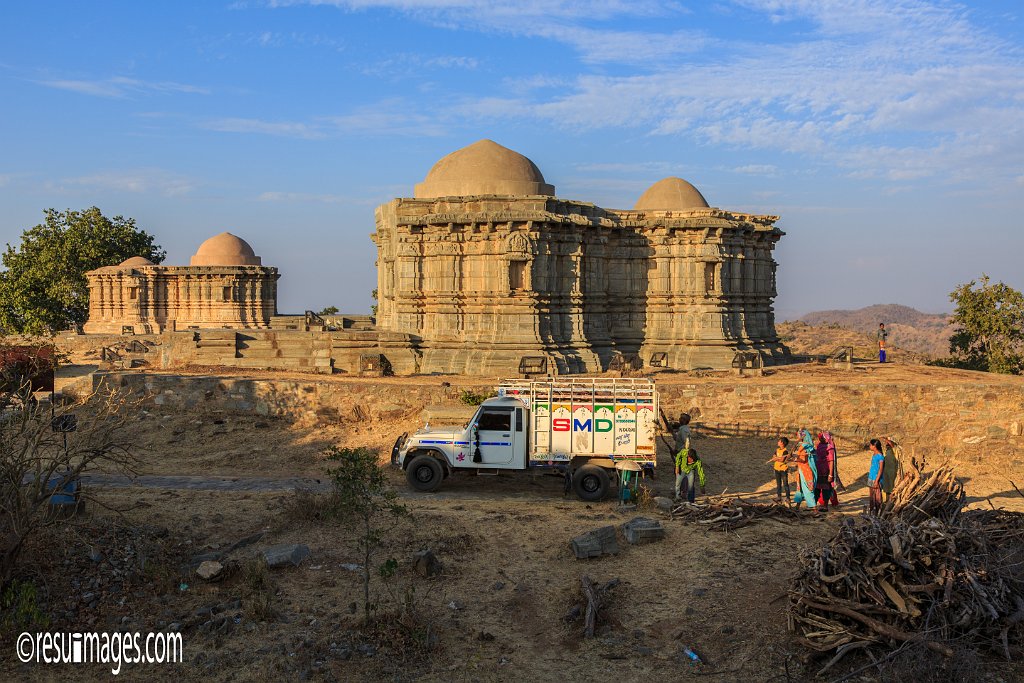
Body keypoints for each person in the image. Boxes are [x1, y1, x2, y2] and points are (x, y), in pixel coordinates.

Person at [792, 429, 817, 511]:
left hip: (805, 470)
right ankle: (797, 507)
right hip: (801, 470)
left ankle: (815, 509)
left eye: (798, 435)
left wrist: (795, 460)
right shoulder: (804, 445)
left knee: (808, 489)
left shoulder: (804, 446)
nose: (797, 436)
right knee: (801, 488)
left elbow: (802, 459)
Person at [813, 432, 835, 511]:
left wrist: (830, 475)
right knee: (816, 488)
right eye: (820, 437)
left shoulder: (830, 447)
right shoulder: (819, 446)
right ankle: (814, 506)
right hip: (818, 471)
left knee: (826, 489)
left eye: (822, 437)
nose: (820, 439)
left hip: (826, 471)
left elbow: (831, 461)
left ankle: (825, 506)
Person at [767, 437, 791, 503]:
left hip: (783, 470)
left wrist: (776, 458)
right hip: (776, 469)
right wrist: (777, 458)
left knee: (785, 484)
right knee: (778, 484)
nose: (778, 442)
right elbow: (774, 456)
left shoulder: (785, 451)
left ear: (782, 443)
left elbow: (782, 460)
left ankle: (788, 498)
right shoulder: (777, 450)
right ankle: (779, 496)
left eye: (779, 441)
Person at [867, 439, 885, 514]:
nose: (869, 446)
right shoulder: (874, 455)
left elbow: (881, 469)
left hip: (876, 479)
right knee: (871, 496)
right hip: (871, 477)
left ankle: (878, 512)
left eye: (870, 445)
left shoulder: (880, 456)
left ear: (874, 446)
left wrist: (877, 480)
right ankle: (872, 511)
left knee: (877, 497)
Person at [881, 437, 902, 501]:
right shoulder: (886, 450)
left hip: (893, 472)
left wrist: (886, 439)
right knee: (886, 488)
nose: (886, 443)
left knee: (893, 488)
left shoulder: (896, 449)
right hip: (886, 472)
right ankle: (886, 502)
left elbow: (892, 445)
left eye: (888, 442)